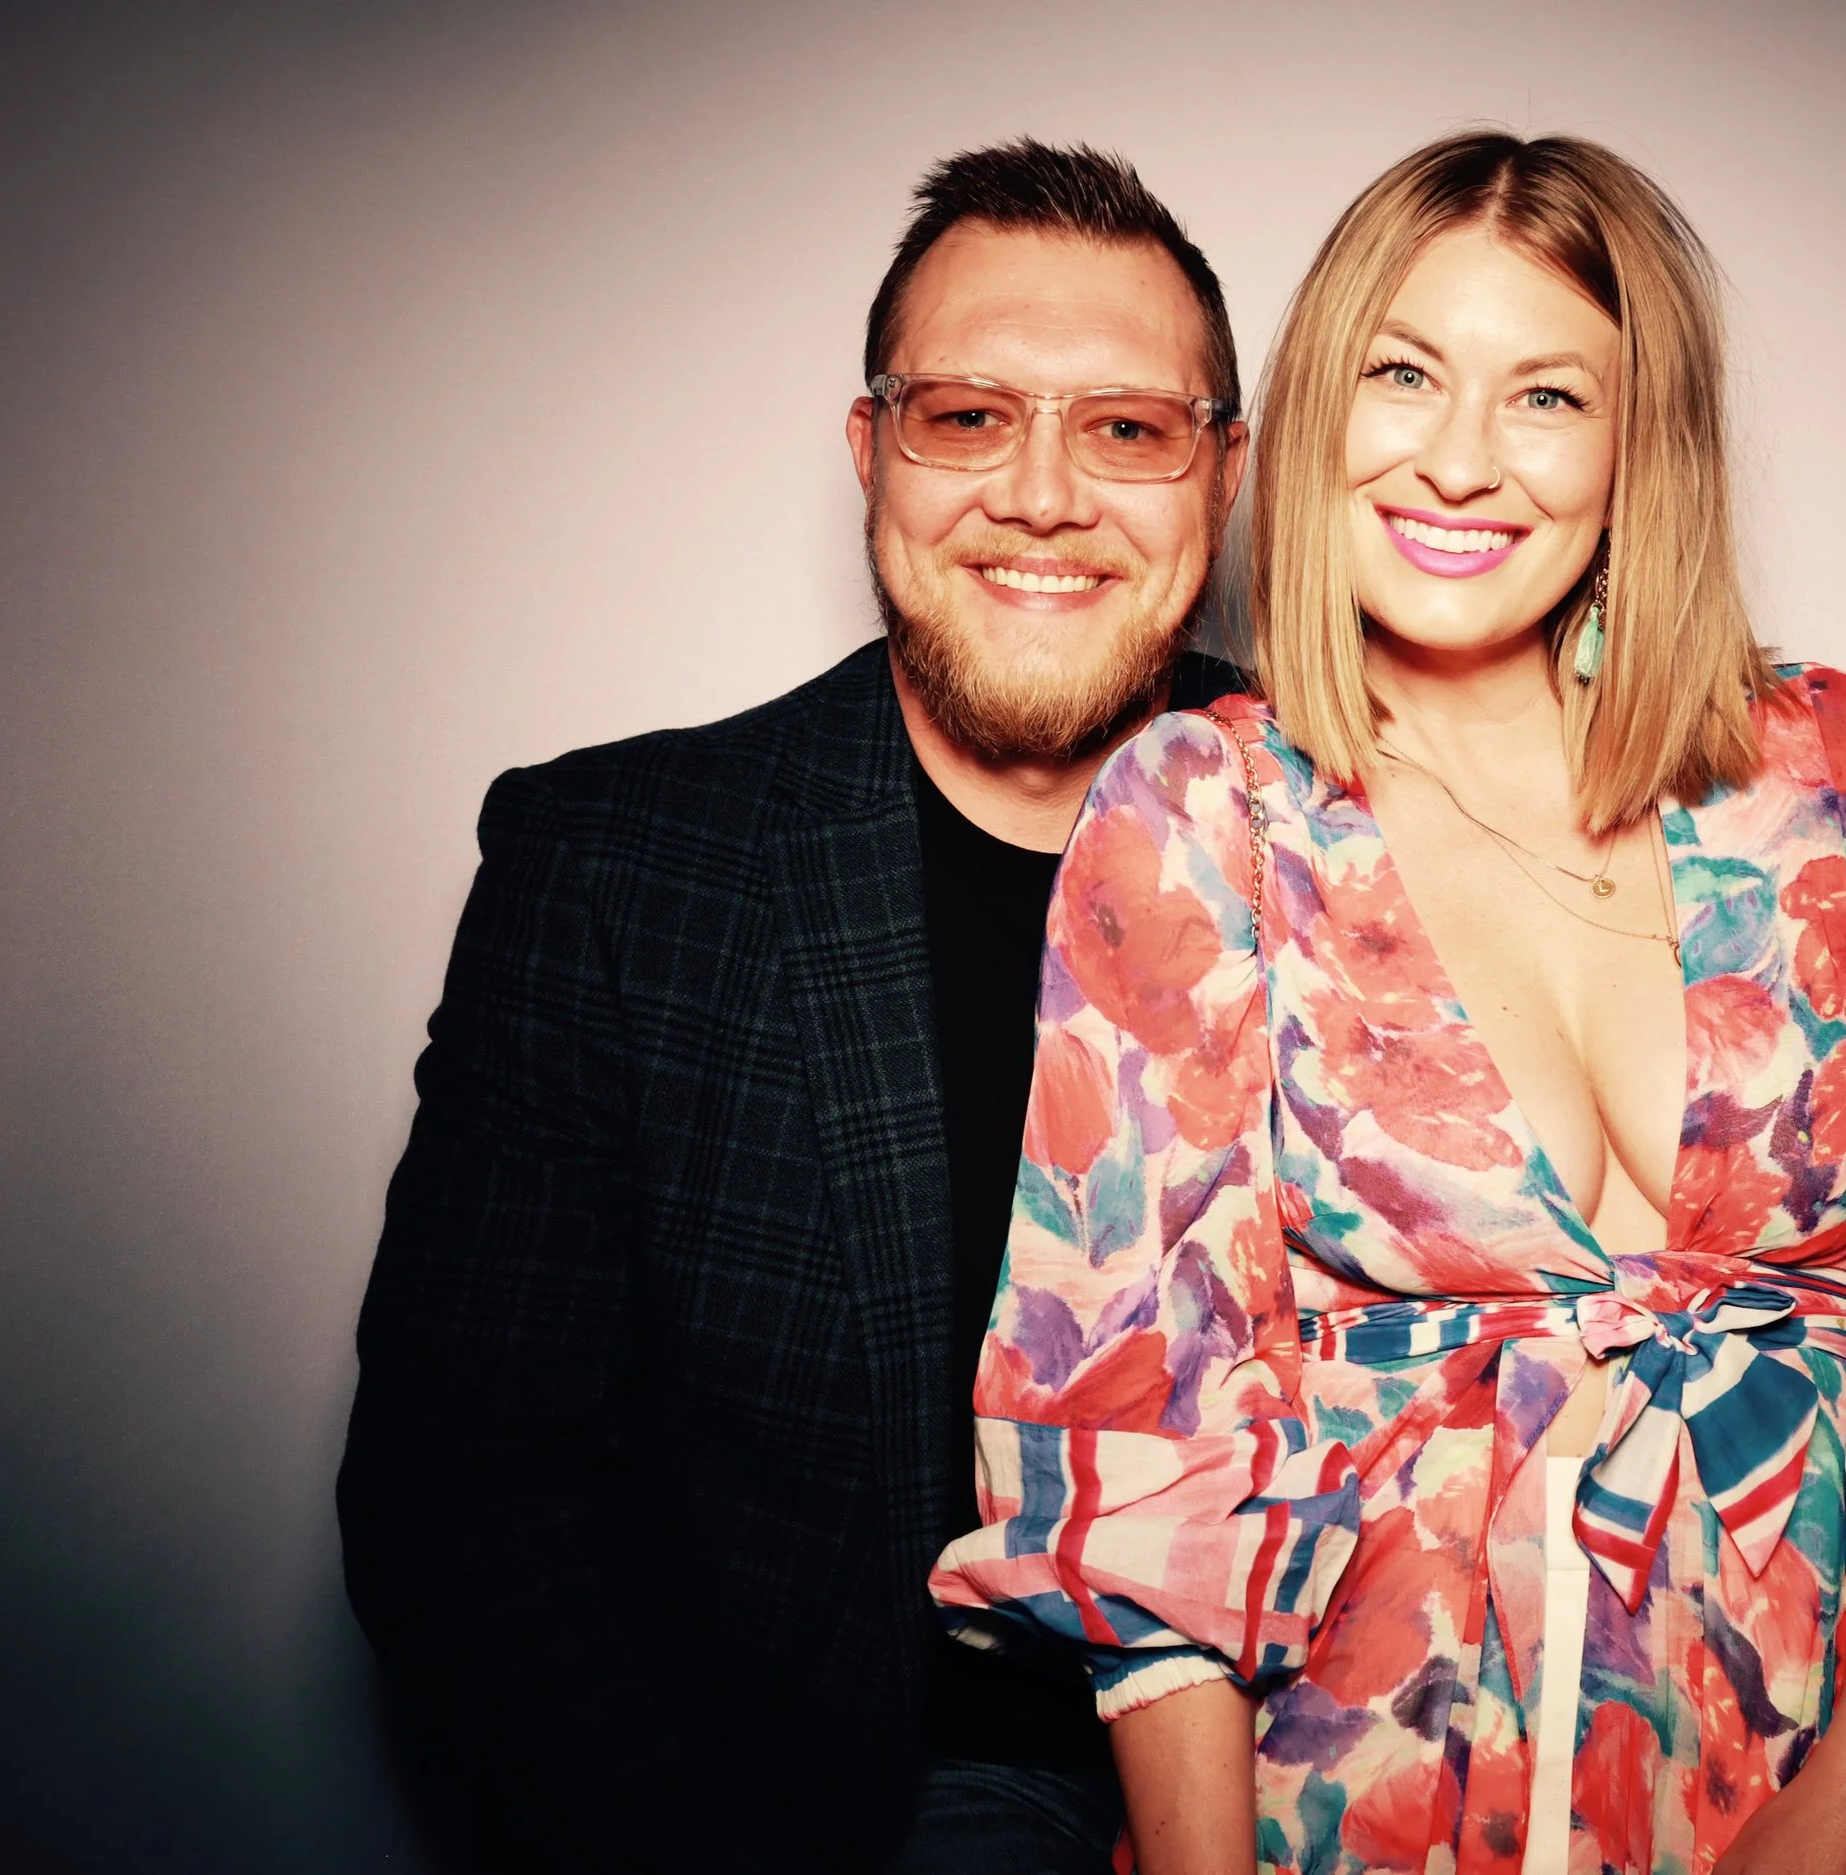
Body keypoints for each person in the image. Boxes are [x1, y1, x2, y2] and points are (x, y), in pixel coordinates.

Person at [930, 132, 1846, 1875]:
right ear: (1312, 415)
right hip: (1358, 1797)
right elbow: (1139, 1414)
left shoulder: (1829, 766)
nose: (1458, 457)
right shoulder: (1203, 811)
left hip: (1811, 1779)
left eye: (1543, 395)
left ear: (1631, 446)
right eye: (1403, 373)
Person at [338, 139, 1248, 1873]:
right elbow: (466, 1510)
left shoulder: (1381, 828)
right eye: (968, 415)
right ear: (869, 453)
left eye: (1125, 429)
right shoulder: (616, 869)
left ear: (1220, 474)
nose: (1043, 495)